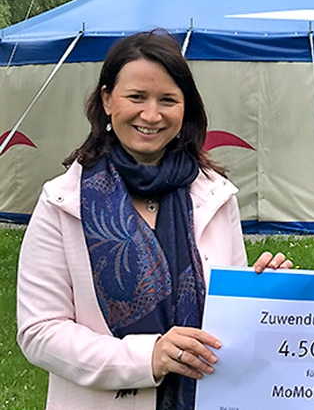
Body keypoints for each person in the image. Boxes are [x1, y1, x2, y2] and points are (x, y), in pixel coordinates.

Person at [16, 30, 292, 410]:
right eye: (136, 97)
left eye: (167, 100)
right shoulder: (64, 203)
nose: (151, 115)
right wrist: (150, 357)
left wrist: (261, 294)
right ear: (107, 99)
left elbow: (226, 324)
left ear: (185, 108)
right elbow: (39, 332)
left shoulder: (215, 197)